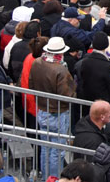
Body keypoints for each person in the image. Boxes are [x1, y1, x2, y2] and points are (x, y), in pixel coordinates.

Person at [29, 36, 76, 179]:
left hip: (42, 110)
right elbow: (66, 94)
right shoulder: (61, 70)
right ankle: (54, 178)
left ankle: (46, 178)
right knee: (57, 150)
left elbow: (31, 85)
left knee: (46, 147)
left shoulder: (37, 62)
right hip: (58, 113)